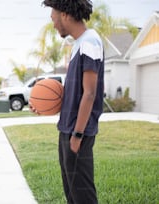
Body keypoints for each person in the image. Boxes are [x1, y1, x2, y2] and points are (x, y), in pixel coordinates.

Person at [39, 0, 105, 203]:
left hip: (78, 132)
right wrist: (41, 105)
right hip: (67, 129)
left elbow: (90, 93)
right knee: (73, 194)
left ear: (65, 15)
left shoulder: (90, 42)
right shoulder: (79, 43)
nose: (53, 23)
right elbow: (74, 93)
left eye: (53, 18)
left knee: (83, 196)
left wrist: (77, 135)